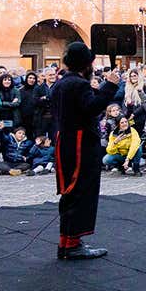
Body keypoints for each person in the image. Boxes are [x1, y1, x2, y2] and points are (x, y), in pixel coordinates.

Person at [50, 41, 121, 260]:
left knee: (71, 193)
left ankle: (68, 242)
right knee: (81, 191)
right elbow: (91, 107)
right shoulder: (78, 84)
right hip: (80, 143)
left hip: (66, 140)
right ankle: (72, 245)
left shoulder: (62, 83)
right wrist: (109, 86)